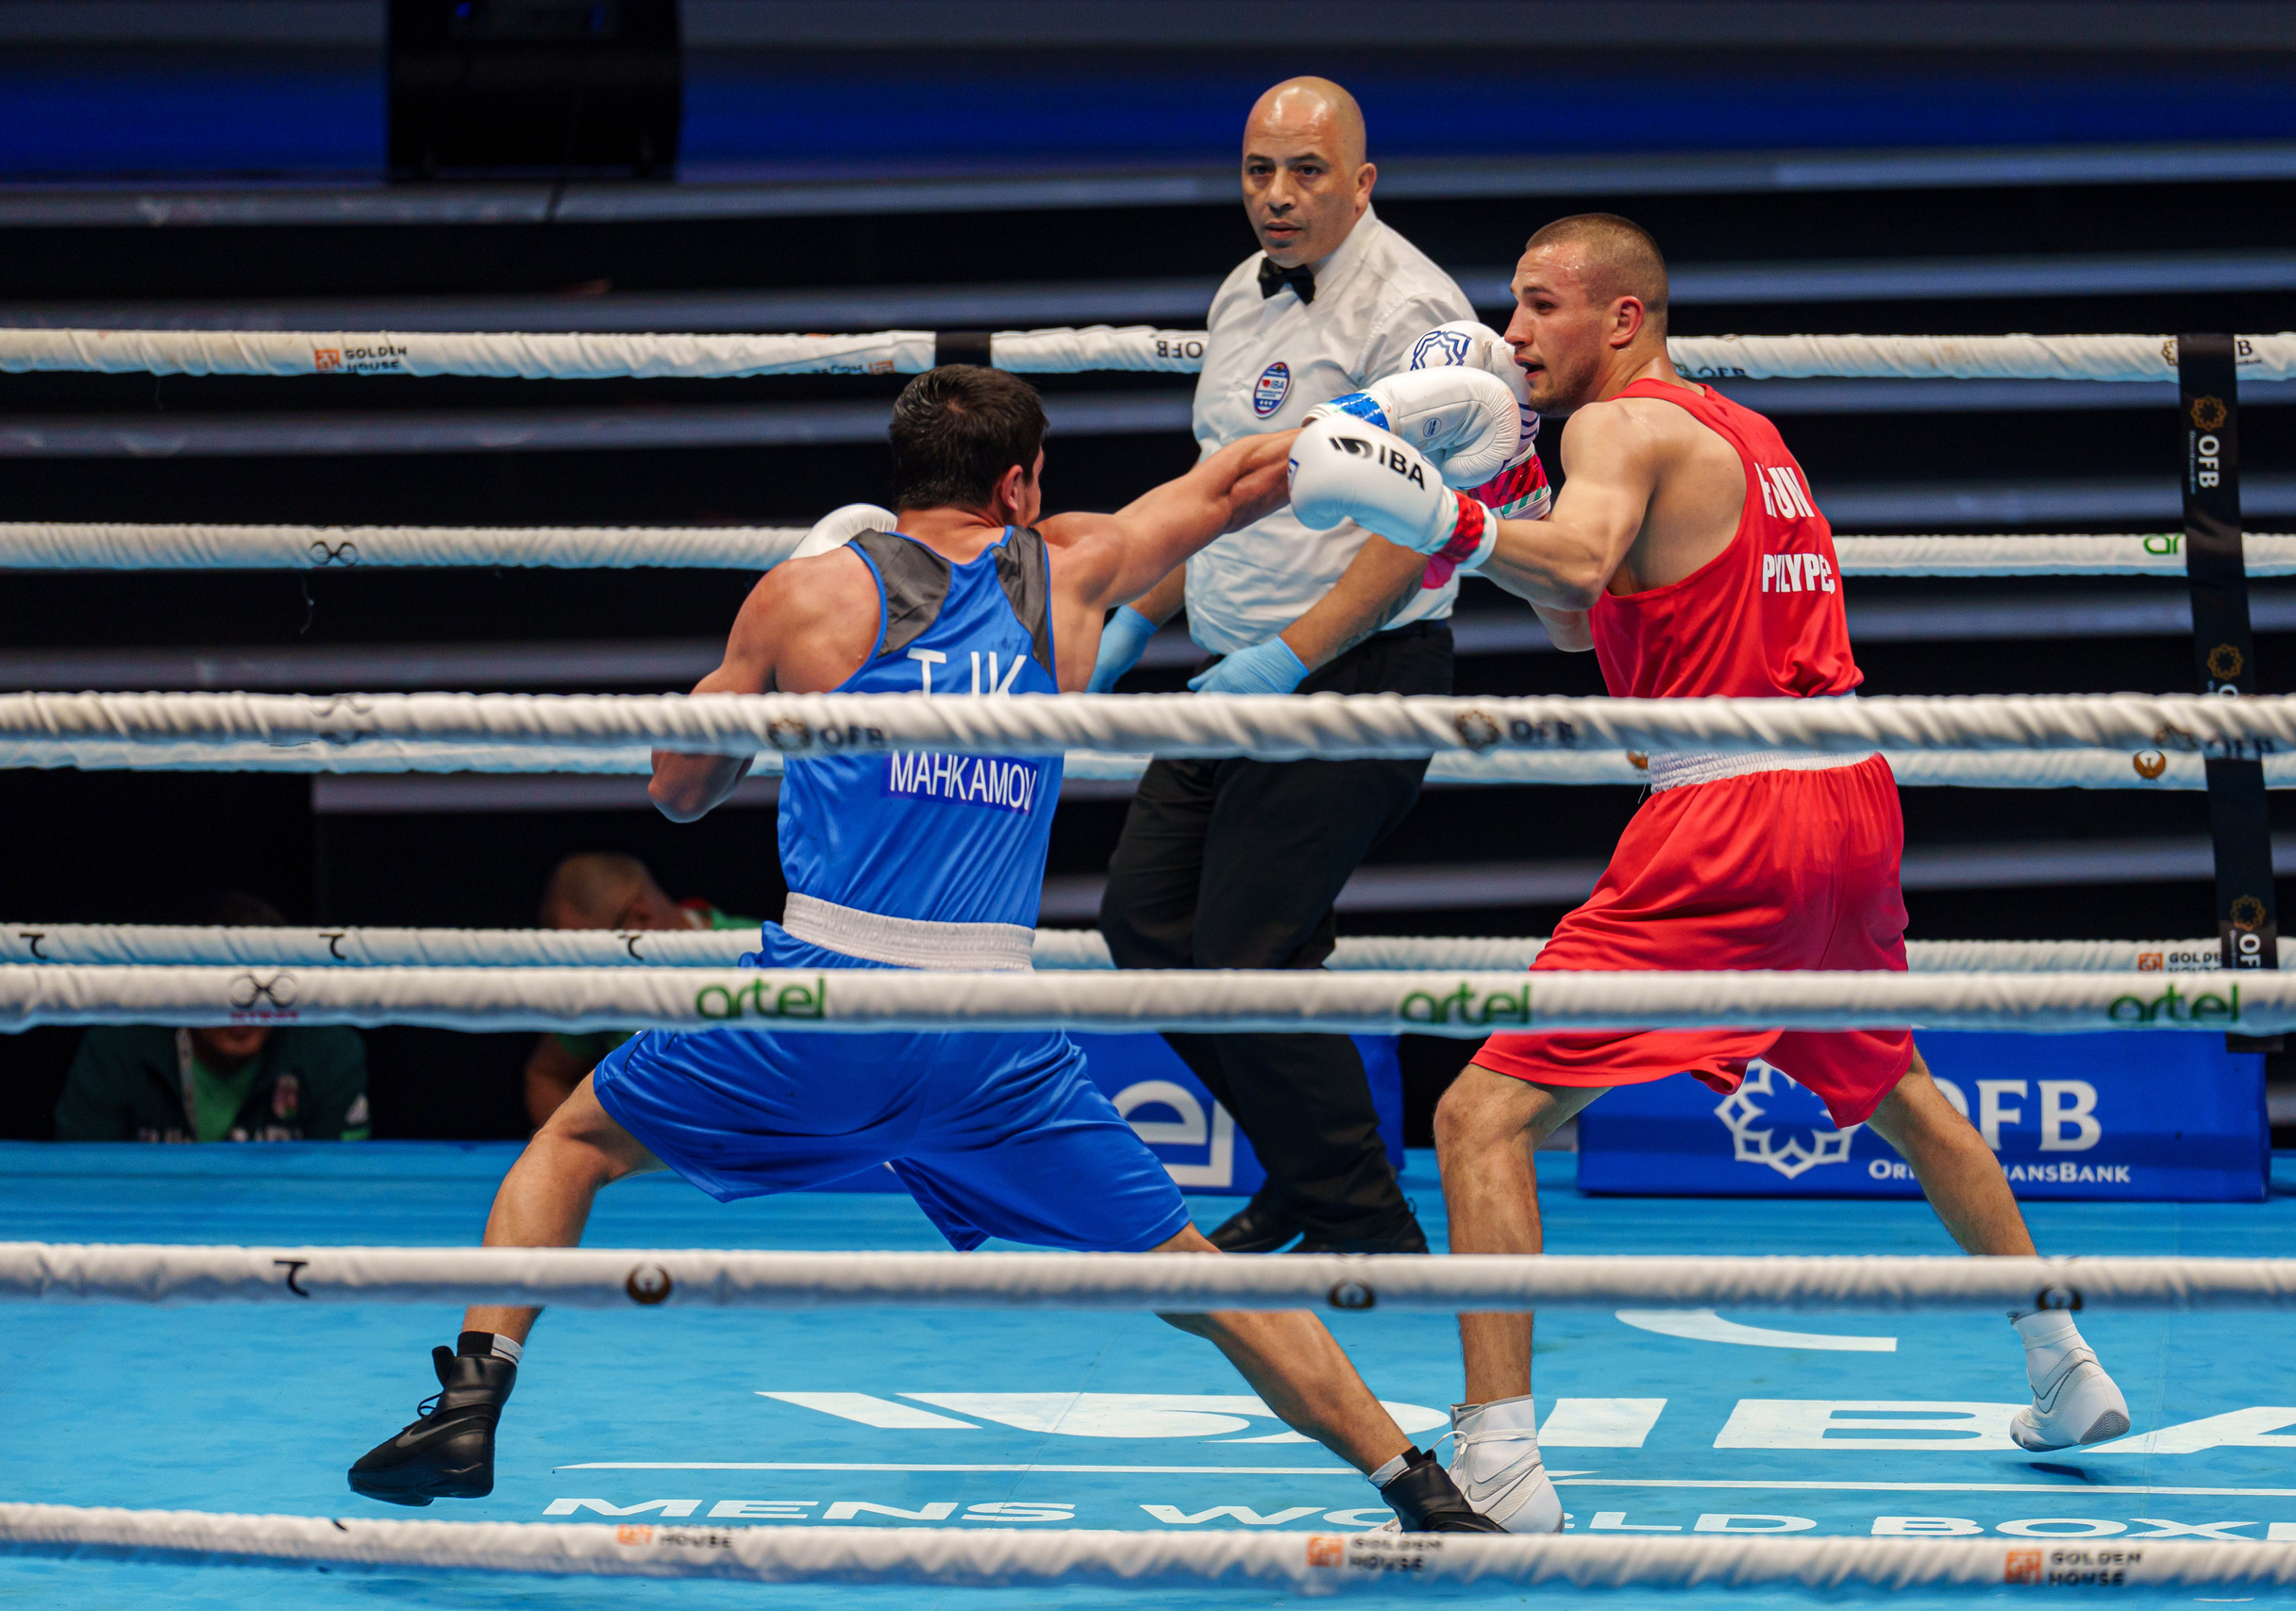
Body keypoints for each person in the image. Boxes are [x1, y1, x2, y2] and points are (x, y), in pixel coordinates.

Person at [346, 364, 1501, 1535]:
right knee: (1196, 1276)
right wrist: (1385, 415)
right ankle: (1417, 1485)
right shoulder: (1074, 573)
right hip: (991, 1028)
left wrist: (767, 657)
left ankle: (470, 1401)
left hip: (821, 1009)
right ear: (1016, 485)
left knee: (574, 1142)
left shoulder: (802, 600)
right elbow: (1247, 478)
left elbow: (678, 794)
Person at [1285, 213, 2134, 1534]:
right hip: (1845, 800)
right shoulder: (1747, 431)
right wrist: (1493, 508)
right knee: (1895, 1082)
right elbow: (1583, 615)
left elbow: (1573, 563)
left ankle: (1501, 1459)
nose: (1513, 335)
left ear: (1623, 318)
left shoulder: (1613, 429)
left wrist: (1439, 512)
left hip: (1729, 812)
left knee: (1478, 1118)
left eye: (1541, 306)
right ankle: (2063, 1363)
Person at [1091, 76, 1485, 1258]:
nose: (1276, 194)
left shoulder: (1418, 314)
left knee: (1249, 951)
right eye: (1259, 169)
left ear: (1362, 182)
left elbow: (1414, 526)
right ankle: (1313, 1180)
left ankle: (1361, 1224)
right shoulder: (1238, 293)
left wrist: (1287, 657)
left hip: (1357, 672)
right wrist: (1131, 616)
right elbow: (1225, 493)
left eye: (1306, 171)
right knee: (1146, 924)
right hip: (1233, 669)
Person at [54, 891, 370, 1143]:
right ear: (181, 986)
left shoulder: (328, 1050)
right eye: (224, 987)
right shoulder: (118, 1045)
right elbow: (81, 1180)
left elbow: (342, 1190)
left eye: (260, 988)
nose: (244, 1009)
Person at [520, 851, 755, 1127]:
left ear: (641, 916)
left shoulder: (762, 953)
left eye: (594, 955)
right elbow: (545, 1075)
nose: (588, 974)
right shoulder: (600, 989)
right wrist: (575, 1143)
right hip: (652, 1163)